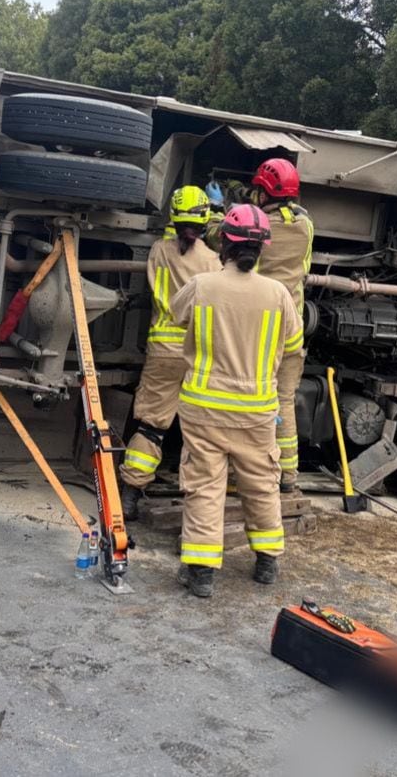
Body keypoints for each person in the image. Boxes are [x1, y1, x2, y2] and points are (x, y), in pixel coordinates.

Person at [169, 204, 303, 598]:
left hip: (204, 408)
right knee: (261, 484)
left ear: (224, 242)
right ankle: (266, 562)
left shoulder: (202, 285)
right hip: (257, 412)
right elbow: (294, 345)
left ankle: (202, 574)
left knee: (205, 487)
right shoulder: (278, 294)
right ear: (262, 249)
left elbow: (177, 317)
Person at [119, 186, 221, 519]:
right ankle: (199, 502)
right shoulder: (213, 261)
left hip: (162, 350)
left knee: (151, 424)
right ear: (206, 222)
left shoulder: (158, 251)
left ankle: (131, 494)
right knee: (201, 430)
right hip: (199, 353)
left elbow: (173, 237)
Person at [221, 158, 314, 492]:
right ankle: (287, 477)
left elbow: (235, 243)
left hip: (261, 326)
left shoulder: (259, 225)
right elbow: (304, 266)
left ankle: (238, 474)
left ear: (264, 190)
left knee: (245, 397)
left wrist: (225, 209)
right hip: (293, 326)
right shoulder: (305, 225)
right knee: (283, 401)